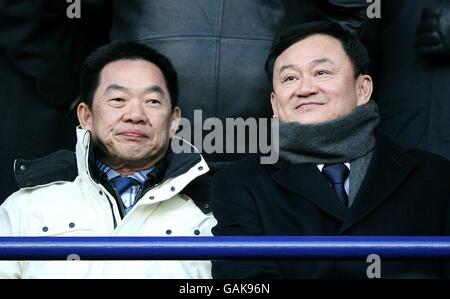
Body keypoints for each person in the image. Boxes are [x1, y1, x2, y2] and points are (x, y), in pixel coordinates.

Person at [211, 21, 450, 279]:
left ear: (363, 88)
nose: (305, 89)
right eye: (290, 78)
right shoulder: (240, 183)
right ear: (274, 103)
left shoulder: (434, 177)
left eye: (322, 72)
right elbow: (245, 281)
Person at [0, 41, 216, 279]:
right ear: (86, 116)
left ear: (174, 121)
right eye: (118, 99)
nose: (135, 115)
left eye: (152, 101)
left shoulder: (213, 209)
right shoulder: (27, 204)